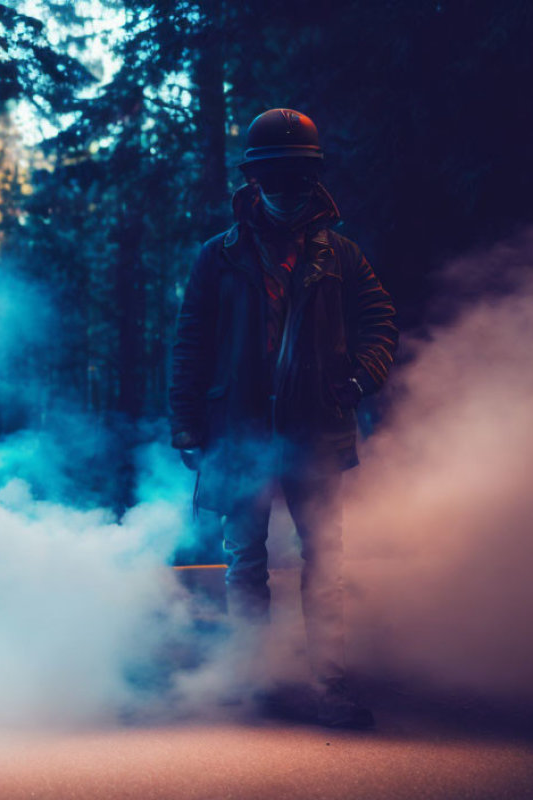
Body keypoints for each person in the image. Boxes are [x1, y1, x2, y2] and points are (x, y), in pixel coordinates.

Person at [169, 108, 397, 728]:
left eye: (297, 177)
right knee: (246, 560)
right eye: (277, 177)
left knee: (324, 558)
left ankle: (329, 684)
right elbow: (191, 341)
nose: (288, 190)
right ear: (254, 180)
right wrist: (187, 424)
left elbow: (381, 323)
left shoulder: (342, 256)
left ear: (312, 179)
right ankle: (255, 680)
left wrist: (358, 378)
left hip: (312, 435)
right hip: (239, 434)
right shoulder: (218, 257)